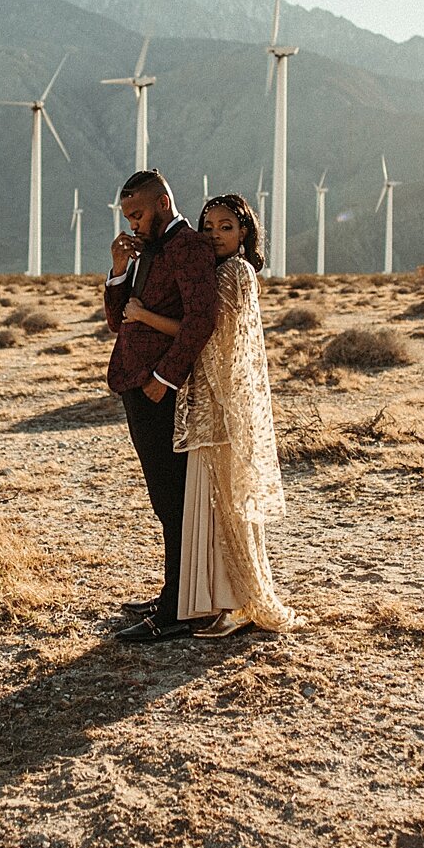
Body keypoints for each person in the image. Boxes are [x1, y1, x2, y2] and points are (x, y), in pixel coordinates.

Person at [101, 169, 220, 645]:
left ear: (164, 203)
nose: (131, 223)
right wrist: (115, 269)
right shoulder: (141, 250)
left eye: (138, 214)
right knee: (162, 499)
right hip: (134, 384)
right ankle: (175, 592)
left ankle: (177, 611)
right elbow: (117, 320)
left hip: (160, 389)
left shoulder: (188, 247)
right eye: (126, 216)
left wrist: (163, 378)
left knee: (172, 499)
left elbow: (202, 319)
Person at [173, 194, 296, 633]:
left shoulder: (233, 273)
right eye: (208, 228)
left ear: (245, 232)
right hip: (212, 398)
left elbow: (207, 332)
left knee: (227, 502)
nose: (215, 235)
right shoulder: (222, 272)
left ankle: (238, 601)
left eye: (225, 227)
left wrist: (145, 316)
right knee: (215, 501)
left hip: (222, 402)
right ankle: (216, 597)